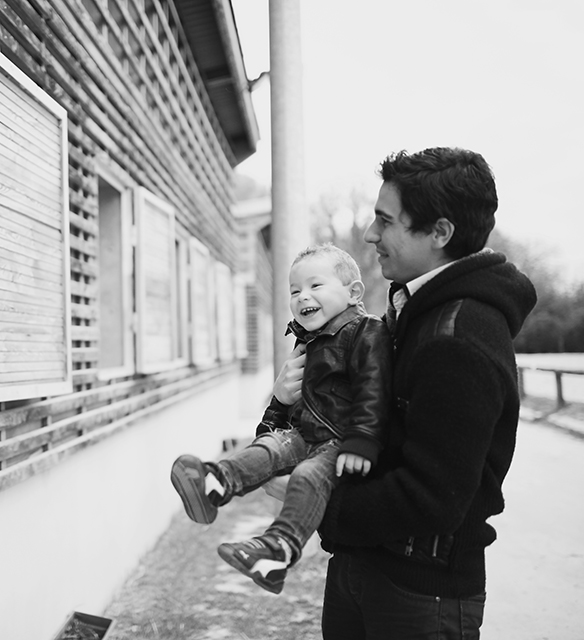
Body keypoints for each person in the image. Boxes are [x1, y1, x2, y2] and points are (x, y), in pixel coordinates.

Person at [312, 147, 537, 639]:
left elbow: (435, 496)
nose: (371, 234)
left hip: (419, 595)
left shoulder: (460, 335)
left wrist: (320, 505)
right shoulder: (414, 310)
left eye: (385, 221)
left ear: (439, 233)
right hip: (365, 565)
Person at [170, 243, 391, 594]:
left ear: (353, 293)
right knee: (269, 445)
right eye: (294, 290)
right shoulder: (309, 341)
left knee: (305, 477)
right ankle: (216, 484)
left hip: (338, 440)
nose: (303, 296)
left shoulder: (365, 331)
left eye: (315, 286)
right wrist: (278, 401)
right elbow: (288, 404)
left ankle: (278, 552)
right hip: (303, 433)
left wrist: (362, 439)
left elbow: (374, 386)